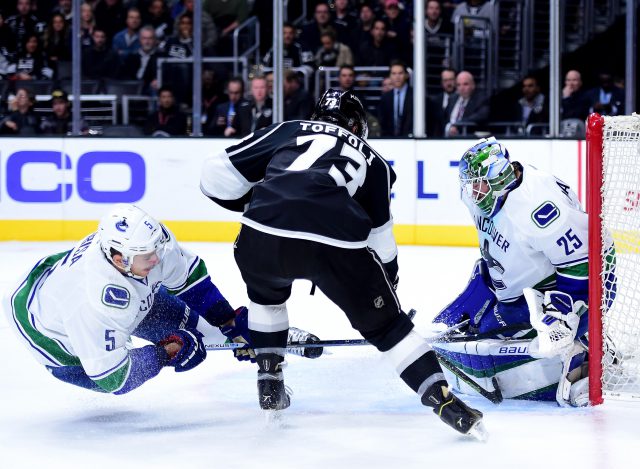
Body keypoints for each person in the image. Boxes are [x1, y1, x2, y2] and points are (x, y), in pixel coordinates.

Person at [199, 89, 485, 437]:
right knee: (388, 329)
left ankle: (269, 379)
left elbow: (213, 174)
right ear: (358, 125)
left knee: (266, 298)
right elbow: (381, 238)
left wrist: (257, 205)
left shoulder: (288, 129)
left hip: (260, 234)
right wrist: (386, 289)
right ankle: (443, 401)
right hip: (332, 242)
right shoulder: (375, 163)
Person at [2, 204, 322, 395]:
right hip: (50, 334)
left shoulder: (148, 249)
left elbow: (191, 281)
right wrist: (167, 352)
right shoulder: (92, 304)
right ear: (118, 259)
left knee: (204, 330)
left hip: (86, 289)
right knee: (110, 370)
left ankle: (267, 335)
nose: (158, 260)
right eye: (147, 256)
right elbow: (115, 378)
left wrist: (228, 322)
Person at [430, 137, 615, 407]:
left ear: (499, 177)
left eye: (479, 184)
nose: (473, 192)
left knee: (522, 332)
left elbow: (582, 262)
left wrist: (563, 316)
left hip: (587, 278)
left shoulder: (538, 209)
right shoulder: (490, 195)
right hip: (525, 279)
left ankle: (586, 351)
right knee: (467, 314)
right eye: (470, 184)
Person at [444, 70, 489, 136]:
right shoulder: (452, 99)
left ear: (473, 85)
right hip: (446, 138)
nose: (461, 88)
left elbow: (480, 116)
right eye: (458, 85)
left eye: (465, 84)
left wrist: (457, 125)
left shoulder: (481, 99)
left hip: (467, 138)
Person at [378, 60, 413, 137]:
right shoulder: (385, 98)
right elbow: (383, 123)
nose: (397, 76)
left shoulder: (414, 96)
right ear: (390, 76)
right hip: (390, 141)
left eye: (400, 73)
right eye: (394, 73)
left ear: (406, 75)